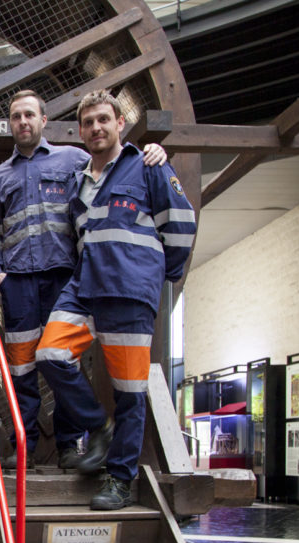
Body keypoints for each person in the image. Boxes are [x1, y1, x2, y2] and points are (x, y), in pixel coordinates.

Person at [0, 90, 168, 469]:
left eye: (29, 115)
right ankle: (24, 447)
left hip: (67, 277)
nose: (23, 122)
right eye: (16, 116)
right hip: (18, 282)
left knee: (65, 361)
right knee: (22, 368)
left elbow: (115, 170)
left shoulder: (76, 160)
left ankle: (71, 445)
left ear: (43, 120)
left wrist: (153, 153)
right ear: (10, 123)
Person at [35, 90, 196, 510]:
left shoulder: (147, 166)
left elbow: (180, 226)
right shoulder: (78, 180)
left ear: (120, 123)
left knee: (129, 392)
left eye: (103, 120)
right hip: (85, 286)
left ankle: (120, 480)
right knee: (50, 354)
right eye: (88, 123)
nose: (96, 128)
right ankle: (98, 429)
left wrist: (159, 276)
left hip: (128, 292)